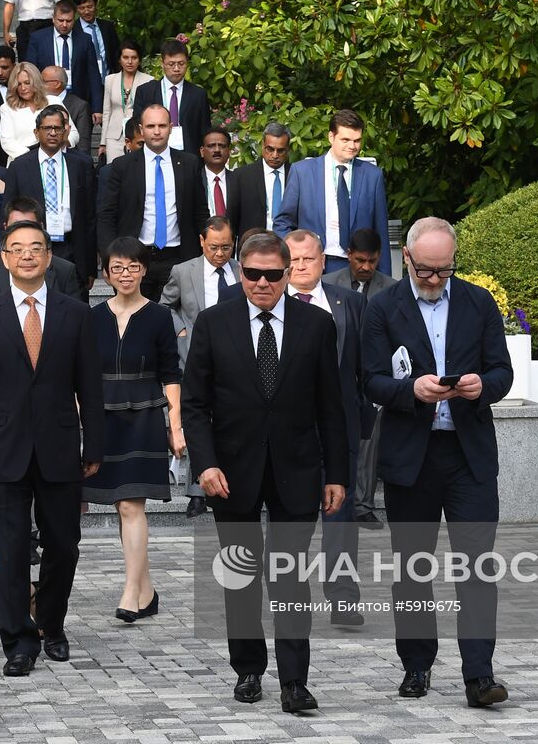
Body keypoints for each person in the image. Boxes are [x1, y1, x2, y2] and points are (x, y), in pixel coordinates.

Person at [181, 231, 347, 713]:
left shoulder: (317, 325)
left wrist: (336, 473)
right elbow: (194, 406)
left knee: (291, 576)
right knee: (241, 575)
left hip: (297, 467)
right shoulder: (214, 324)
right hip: (230, 471)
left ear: (287, 273)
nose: (261, 283)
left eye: (273, 275)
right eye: (252, 274)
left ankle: (295, 680)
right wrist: (205, 463)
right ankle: (248, 669)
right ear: (239, 271)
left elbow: (331, 407)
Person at [361, 216, 513, 707]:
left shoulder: (477, 301)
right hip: (412, 456)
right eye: (426, 270)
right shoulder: (383, 307)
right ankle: (417, 665)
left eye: (445, 271)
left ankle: (479, 674)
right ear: (406, 258)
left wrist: (480, 387)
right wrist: (411, 391)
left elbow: (502, 372)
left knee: (475, 567)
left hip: (468, 455)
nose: (435, 281)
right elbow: (370, 380)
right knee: (412, 567)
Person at [0, 218, 106, 676]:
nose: (27, 255)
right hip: (3, 448)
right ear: (4, 258)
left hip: (61, 445)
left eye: (36, 247)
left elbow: (90, 387)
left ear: (48, 257)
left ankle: (52, 624)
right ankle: (18, 641)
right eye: (17, 248)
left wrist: (94, 444)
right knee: (11, 548)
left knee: (64, 544)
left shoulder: (76, 313)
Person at [83, 237, 181, 620]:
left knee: (130, 503)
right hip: (102, 416)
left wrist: (176, 426)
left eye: (133, 267)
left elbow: (171, 374)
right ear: (106, 273)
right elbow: (81, 374)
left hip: (145, 415)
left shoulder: (159, 316)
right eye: (117, 268)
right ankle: (146, 589)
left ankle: (129, 590)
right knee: (122, 505)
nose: (126, 274)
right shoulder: (91, 317)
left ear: (144, 270)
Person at [284, 229, 366, 625]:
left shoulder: (349, 302)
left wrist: (364, 420)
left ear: (323, 261)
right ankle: (288, 596)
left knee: (341, 517)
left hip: (340, 429)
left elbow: (363, 367)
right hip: (289, 432)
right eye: (293, 260)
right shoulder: (269, 305)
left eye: (308, 259)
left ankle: (343, 598)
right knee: (291, 519)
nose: (300, 267)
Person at [157, 215, 240, 517]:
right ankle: (196, 492)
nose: (220, 254)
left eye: (226, 248)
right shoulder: (183, 271)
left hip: (234, 358)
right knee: (197, 418)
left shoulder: (242, 272)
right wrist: (180, 328)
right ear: (202, 242)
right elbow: (165, 306)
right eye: (214, 247)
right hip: (194, 354)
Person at [97, 104, 209, 300]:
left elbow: (200, 212)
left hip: (179, 257)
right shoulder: (122, 167)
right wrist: (110, 259)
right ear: (141, 129)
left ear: (171, 127)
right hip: (133, 259)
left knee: (176, 321)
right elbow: (107, 215)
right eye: (150, 126)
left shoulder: (189, 163)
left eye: (162, 126)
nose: (156, 132)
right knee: (134, 320)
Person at [326, 227, 396, 526]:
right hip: (336, 373)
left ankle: (362, 505)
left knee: (369, 441)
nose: (366, 267)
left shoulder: (392, 288)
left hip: (374, 375)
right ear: (348, 256)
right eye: (360, 260)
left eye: (372, 261)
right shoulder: (328, 284)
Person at [274, 109, 391, 274]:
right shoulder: (303, 172)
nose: (352, 146)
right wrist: (296, 254)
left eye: (357, 140)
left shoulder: (372, 175)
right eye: (345, 140)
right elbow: (283, 222)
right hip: (313, 267)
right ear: (331, 137)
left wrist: (385, 280)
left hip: (358, 268)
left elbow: (381, 233)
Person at [5, 104, 98, 295]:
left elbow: (89, 215)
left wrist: (89, 265)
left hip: (72, 246)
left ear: (65, 131)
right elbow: (8, 212)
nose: (53, 133)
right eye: (47, 128)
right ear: (36, 132)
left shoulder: (81, 164)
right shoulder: (20, 166)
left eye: (58, 128)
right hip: (32, 247)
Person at [0, 196, 84, 301]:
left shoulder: (64, 270)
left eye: (29, 225)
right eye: (16, 226)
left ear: (41, 227)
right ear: (5, 227)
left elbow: (72, 316)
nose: (23, 232)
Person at [25, 0, 104, 128]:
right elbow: (30, 71)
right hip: (46, 99)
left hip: (78, 99)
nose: (64, 25)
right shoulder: (38, 39)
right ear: (53, 19)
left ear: (75, 19)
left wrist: (97, 108)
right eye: (60, 20)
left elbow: (93, 75)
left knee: (80, 142)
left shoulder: (85, 39)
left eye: (69, 21)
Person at [131, 39, 210, 153]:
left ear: (187, 62)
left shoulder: (198, 94)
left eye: (181, 64)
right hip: (154, 152)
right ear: (162, 63)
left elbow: (204, 130)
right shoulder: (145, 91)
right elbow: (138, 127)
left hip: (189, 156)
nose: (176, 69)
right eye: (171, 64)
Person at [227, 122, 292, 238]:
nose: (275, 155)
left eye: (280, 150)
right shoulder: (242, 176)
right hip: (253, 245)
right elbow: (232, 219)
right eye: (270, 149)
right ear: (262, 145)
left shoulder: (296, 174)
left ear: (287, 149)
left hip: (288, 244)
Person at [0, 61, 67, 164]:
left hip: (54, 161)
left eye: (27, 83)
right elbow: (7, 142)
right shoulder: (7, 108)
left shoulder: (54, 101)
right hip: (21, 163)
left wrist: (60, 146)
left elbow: (73, 134)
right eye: (19, 84)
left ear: (36, 82)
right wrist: (34, 156)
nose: (23, 88)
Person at [101, 41, 154, 165]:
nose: (130, 62)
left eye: (134, 58)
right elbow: (106, 112)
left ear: (139, 60)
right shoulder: (110, 80)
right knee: (113, 169)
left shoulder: (149, 80)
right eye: (125, 57)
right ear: (120, 60)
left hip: (138, 135)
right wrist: (103, 142)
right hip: (114, 135)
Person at [41, 66, 94, 157]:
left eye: (43, 81)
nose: (39, 85)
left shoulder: (79, 105)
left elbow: (83, 143)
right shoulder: (38, 102)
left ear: (57, 84)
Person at [73, 0, 120, 81]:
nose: (86, 11)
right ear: (76, 9)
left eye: (90, 7)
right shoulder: (73, 30)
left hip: (109, 79)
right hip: (84, 83)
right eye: (82, 8)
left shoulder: (107, 27)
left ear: (96, 5)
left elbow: (116, 54)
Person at [199, 127, 234, 219]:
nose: (217, 150)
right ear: (202, 152)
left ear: (229, 151)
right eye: (211, 146)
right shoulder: (193, 181)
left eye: (222, 146)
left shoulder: (239, 181)